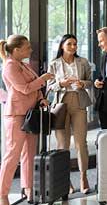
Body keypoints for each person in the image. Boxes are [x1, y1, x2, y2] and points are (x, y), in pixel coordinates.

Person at [0, 35, 54, 205]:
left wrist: (41, 99)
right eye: (27, 48)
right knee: (12, 155)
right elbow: (24, 88)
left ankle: (29, 189)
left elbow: (34, 89)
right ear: (16, 50)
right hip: (16, 115)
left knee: (29, 154)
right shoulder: (9, 67)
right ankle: (2, 193)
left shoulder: (24, 65)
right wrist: (43, 79)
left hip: (31, 114)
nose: (30, 50)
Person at [47, 34, 92, 194]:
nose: (73, 47)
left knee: (81, 143)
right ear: (62, 46)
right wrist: (60, 83)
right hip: (61, 105)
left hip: (79, 103)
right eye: (69, 44)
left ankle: (83, 177)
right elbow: (49, 86)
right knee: (62, 146)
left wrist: (82, 83)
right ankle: (66, 181)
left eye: (75, 44)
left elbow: (91, 81)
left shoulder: (83, 62)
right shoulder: (54, 64)